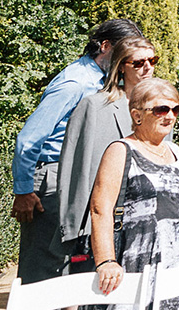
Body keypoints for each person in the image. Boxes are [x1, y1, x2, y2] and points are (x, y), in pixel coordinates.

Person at [10, 17, 142, 310]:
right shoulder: (75, 83)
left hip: (87, 174)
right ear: (106, 46)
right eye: (125, 49)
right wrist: (24, 189)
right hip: (54, 177)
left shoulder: (109, 84)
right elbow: (29, 139)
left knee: (78, 262)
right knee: (44, 269)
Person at [87, 78, 179, 310]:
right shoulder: (121, 150)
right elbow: (99, 208)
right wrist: (106, 261)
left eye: (176, 109)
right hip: (133, 258)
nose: (170, 116)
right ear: (137, 115)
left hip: (170, 259)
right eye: (161, 109)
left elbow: (178, 197)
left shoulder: (176, 151)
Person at [55, 37, 157, 284]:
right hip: (102, 220)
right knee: (84, 296)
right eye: (139, 62)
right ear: (121, 66)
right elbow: (74, 169)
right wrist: (75, 228)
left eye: (153, 60)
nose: (147, 67)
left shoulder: (160, 107)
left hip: (145, 219)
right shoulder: (94, 106)